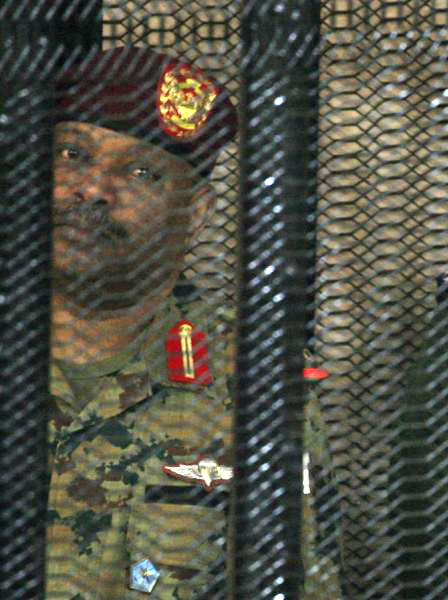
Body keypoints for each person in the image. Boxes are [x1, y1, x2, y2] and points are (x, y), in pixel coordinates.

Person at [46, 47, 338, 599]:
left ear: (195, 213)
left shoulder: (251, 380)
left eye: (141, 172)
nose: (94, 188)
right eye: (73, 154)